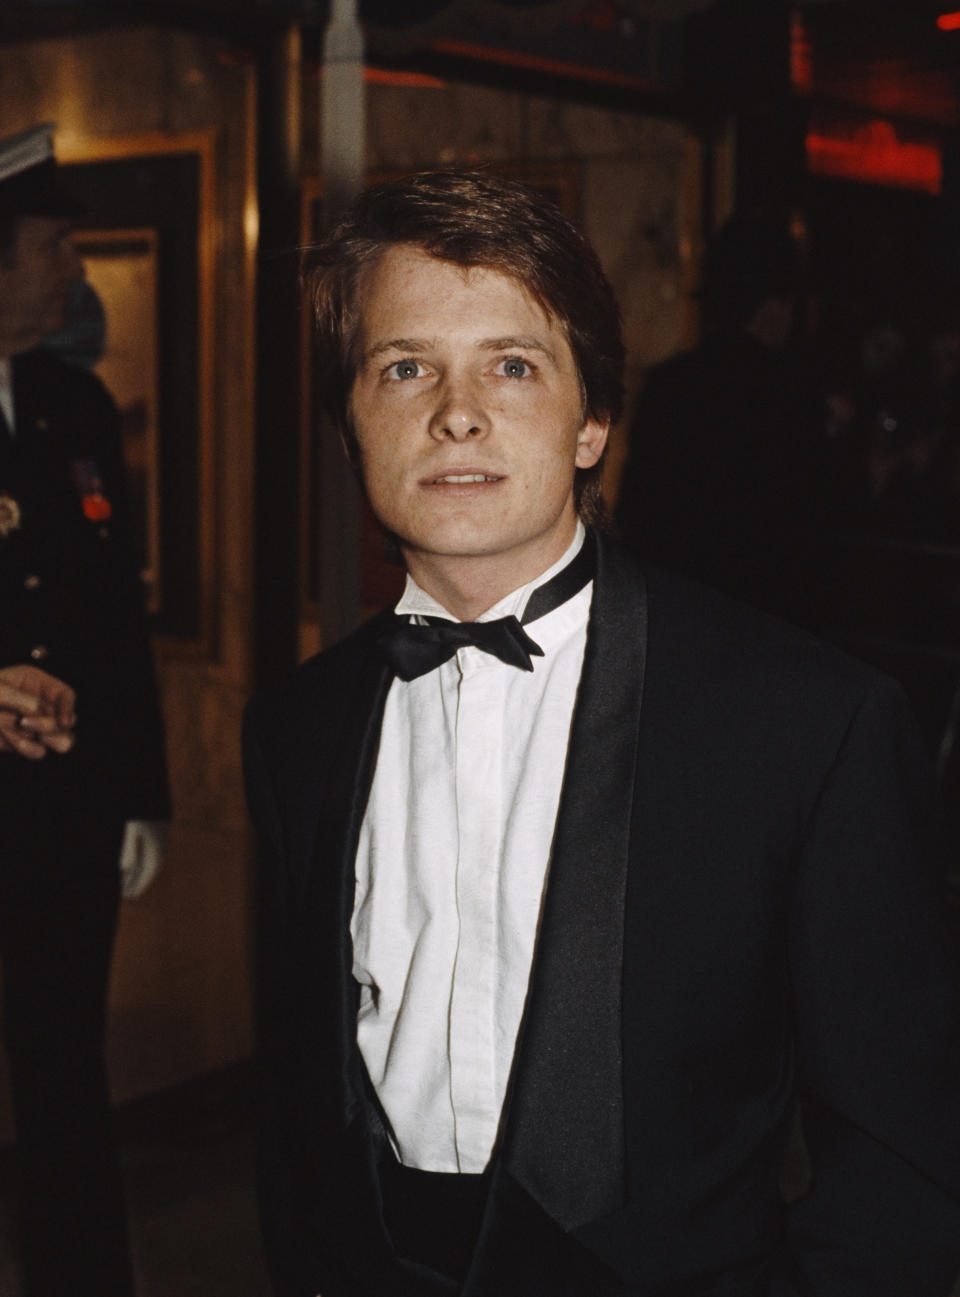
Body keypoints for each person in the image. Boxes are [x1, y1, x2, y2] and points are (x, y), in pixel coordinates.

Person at [243, 171, 960, 1297]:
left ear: (593, 422)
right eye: (405, 366)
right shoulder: (295, 727)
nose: (457, 410)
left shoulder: (808, 726)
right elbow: (294, 1109)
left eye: (512, 364)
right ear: (350, 421)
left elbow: (906, 1170)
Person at [0, 124, 170, 1296]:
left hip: (62, 813)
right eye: (55, 244)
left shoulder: (75, 405)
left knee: (65, 1076)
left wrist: (140, 794)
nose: (75, 269)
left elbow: (117, 620)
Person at [615, 214, 830, 630]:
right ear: (774, 307)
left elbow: (637, 511)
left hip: (674, 611)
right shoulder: (791, 396)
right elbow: (807, 529)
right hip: (762, 618)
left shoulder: (670, 385)